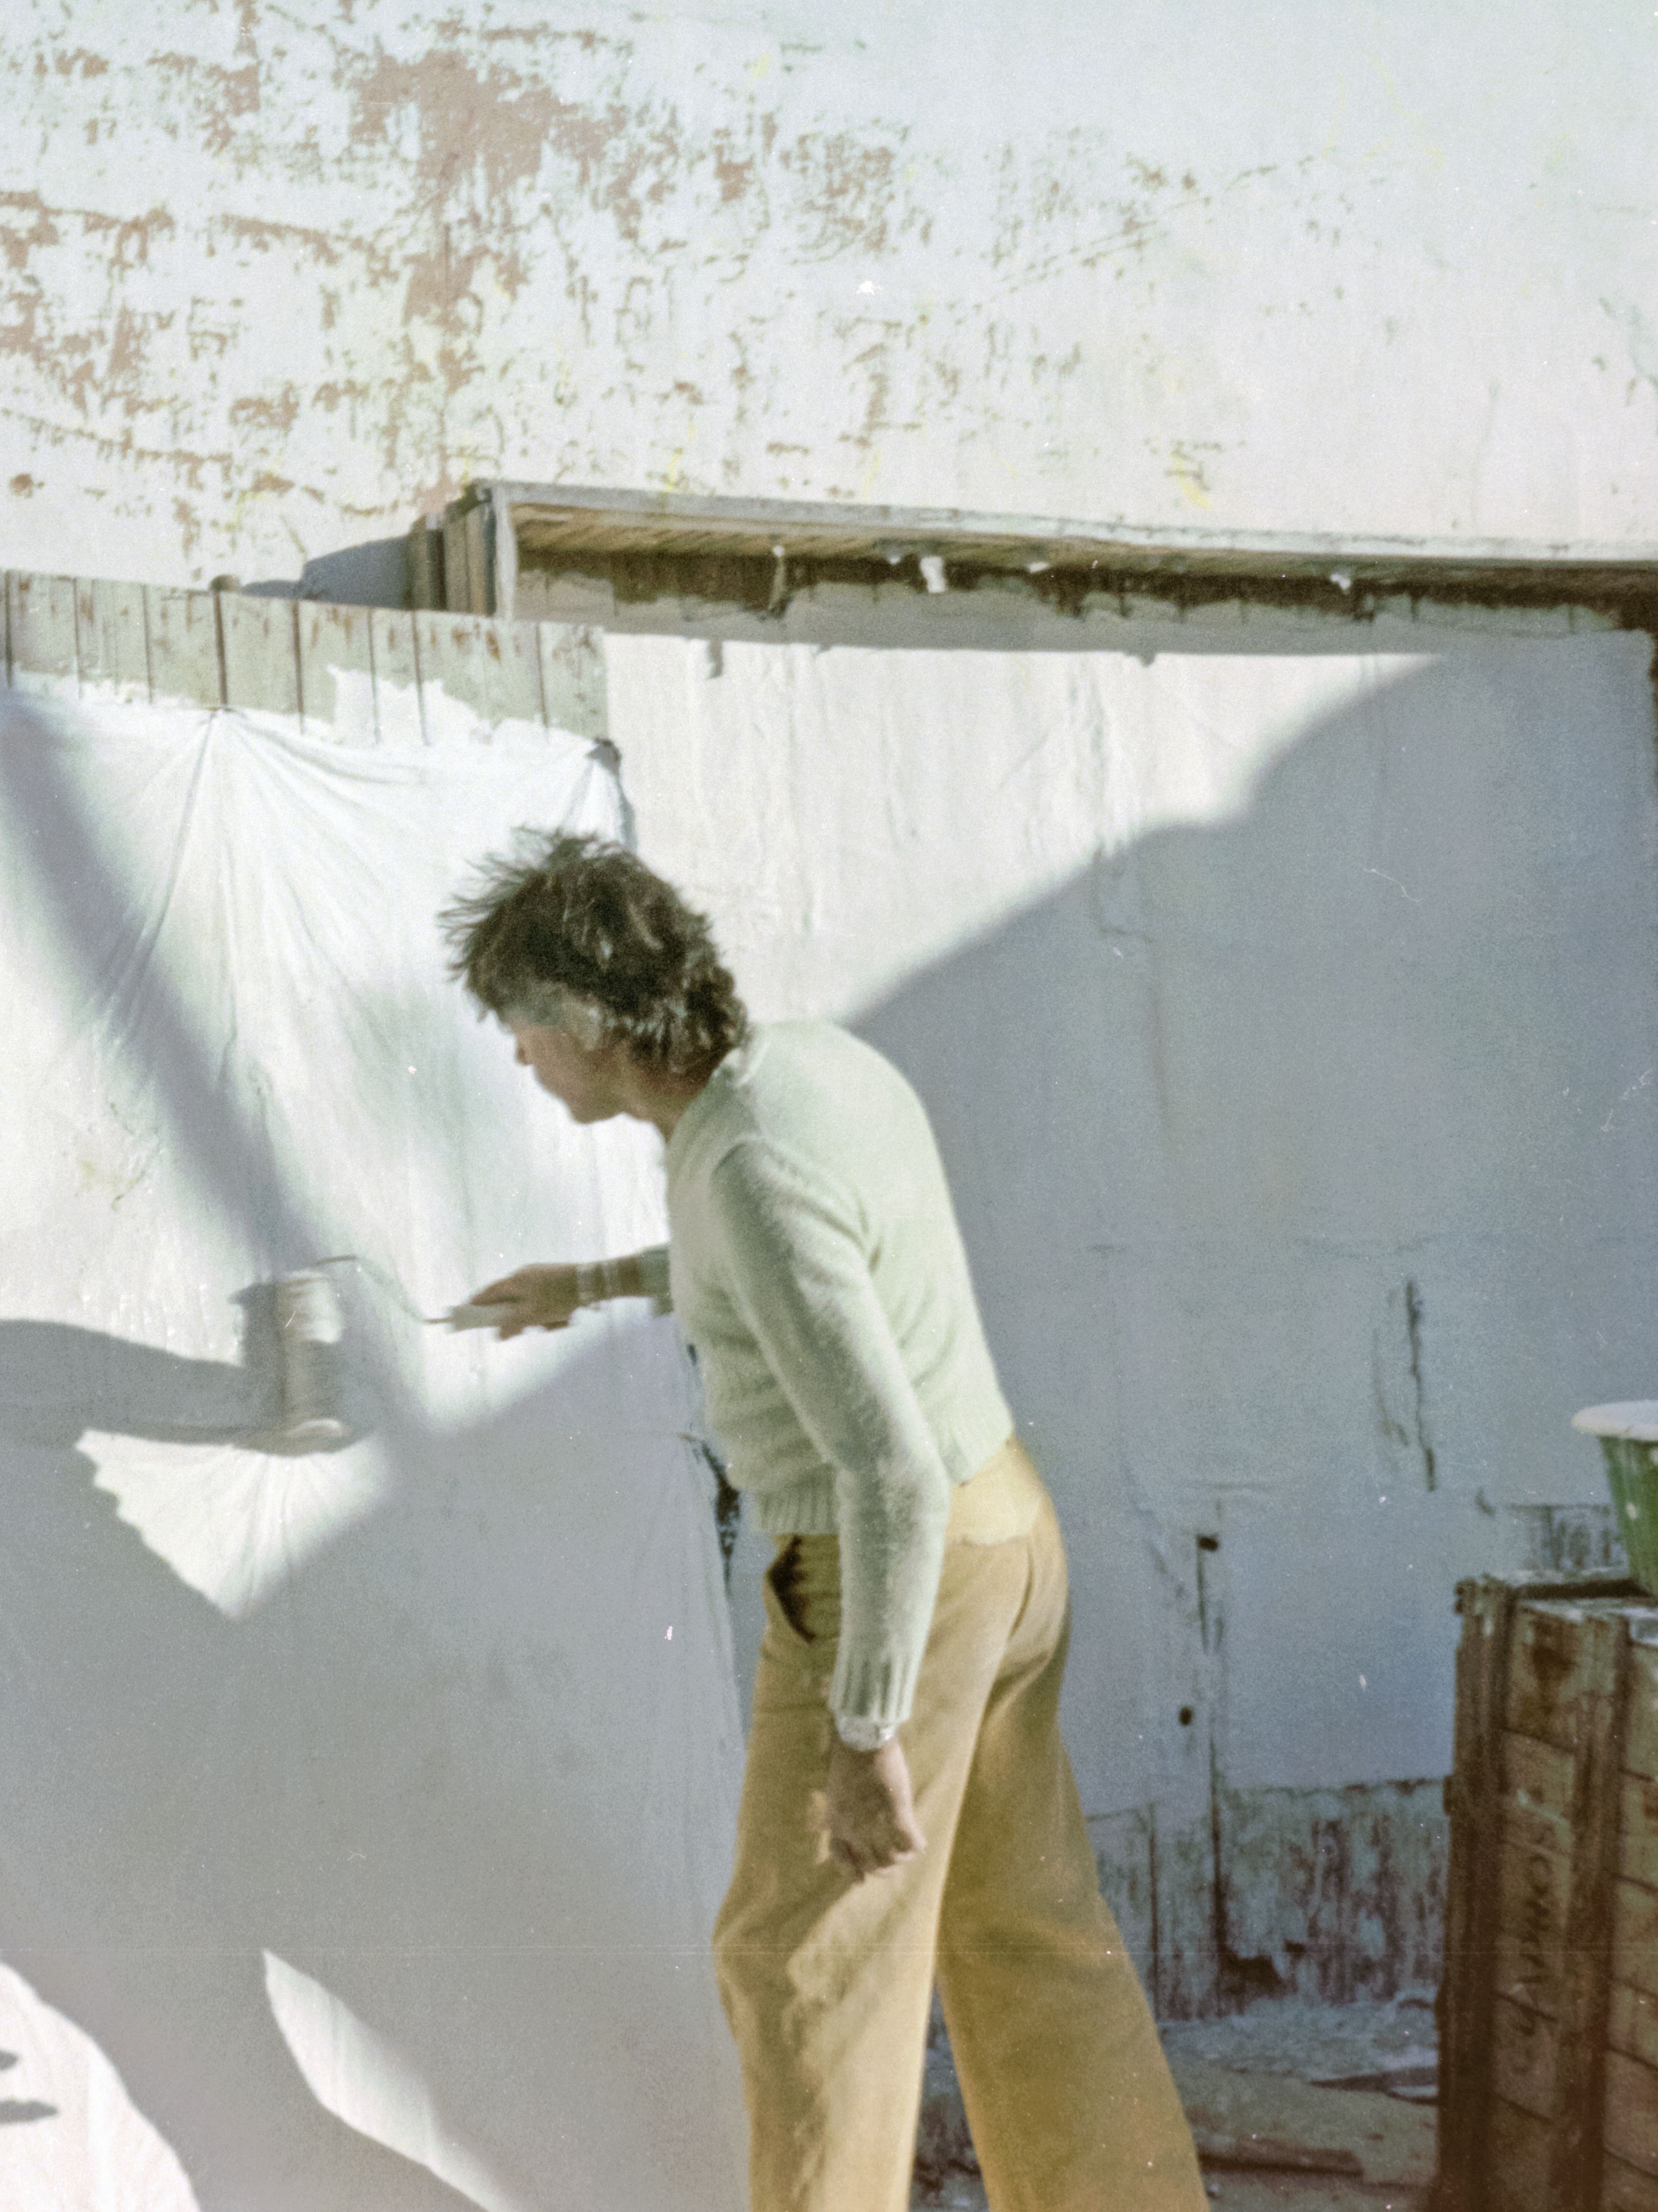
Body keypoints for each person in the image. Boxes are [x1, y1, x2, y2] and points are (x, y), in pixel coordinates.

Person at [444, 832, 1203, 2211]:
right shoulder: (801, 1072)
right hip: (1009, 1532)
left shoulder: (743, 1166)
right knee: (1024, 1931)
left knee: (803, 1966)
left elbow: (888, 1469)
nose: (519, 1052)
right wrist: (593, 1282)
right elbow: (792, 1254)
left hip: (897, 1570)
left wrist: (864, 1732)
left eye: (525, 1024)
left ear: (595, 1022)